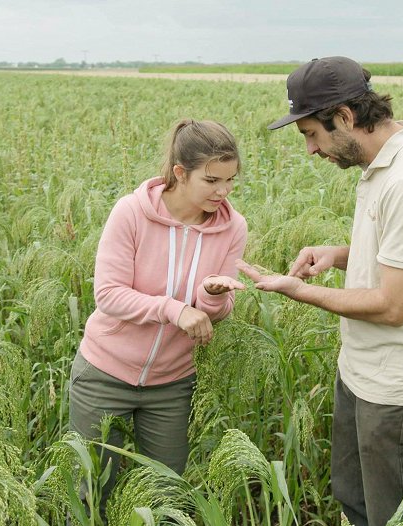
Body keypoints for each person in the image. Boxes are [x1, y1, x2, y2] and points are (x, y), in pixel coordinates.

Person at [237, 57, 403, 526]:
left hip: (397, 390)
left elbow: (394, 305)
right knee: (355, 503)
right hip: (362, 371)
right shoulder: (383, 166)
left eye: (312, 135)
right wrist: (339, 254)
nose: (311, 151)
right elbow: (400, 258)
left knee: (391, 517)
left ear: (344, 117)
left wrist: (297, 291)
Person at [69, 119, 247, 521]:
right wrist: (175, 309)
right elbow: (109, 295)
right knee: (89, 491)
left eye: (231, 180)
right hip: (103, 374)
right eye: (212, 180)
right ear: (180, 173)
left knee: (167, 496)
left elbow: (217, 313)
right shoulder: (132, 212)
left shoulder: (232, 228)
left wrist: (210, 297)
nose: (224, 192)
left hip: (172, 383)